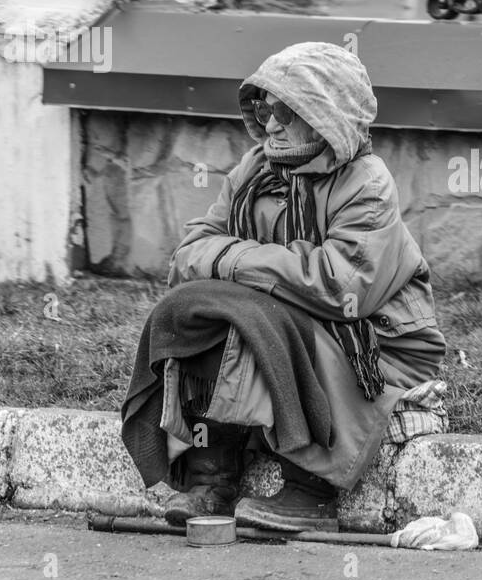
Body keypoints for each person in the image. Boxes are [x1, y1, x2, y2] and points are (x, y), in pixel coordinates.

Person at [125, 41, 446, 531]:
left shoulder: (366, 183)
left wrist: (235, 260)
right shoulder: (253, 170)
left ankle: (310, 492)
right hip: (280, 320)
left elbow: (340, 286)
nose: (270, 123)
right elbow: (187, 257)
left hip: (373, 343)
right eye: (263, 108)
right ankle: (213, 474)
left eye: (285, 111)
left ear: (326, 117)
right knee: (195, 313)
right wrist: (244, 272)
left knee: (260, 317)